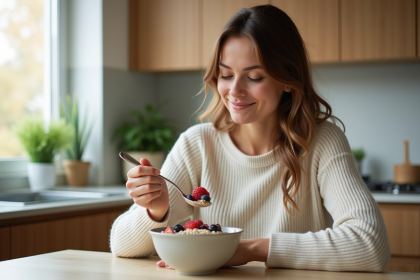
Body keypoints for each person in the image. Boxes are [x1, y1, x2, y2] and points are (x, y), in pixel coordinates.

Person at [110, 4, 390, 272]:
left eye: (254, 77)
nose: (235, 91)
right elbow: (122, 246)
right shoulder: (197, 144)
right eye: (225, 75)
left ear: (288, 81)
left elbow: (370, 244)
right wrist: (156, 211)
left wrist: (248, 250)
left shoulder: (321, 141)